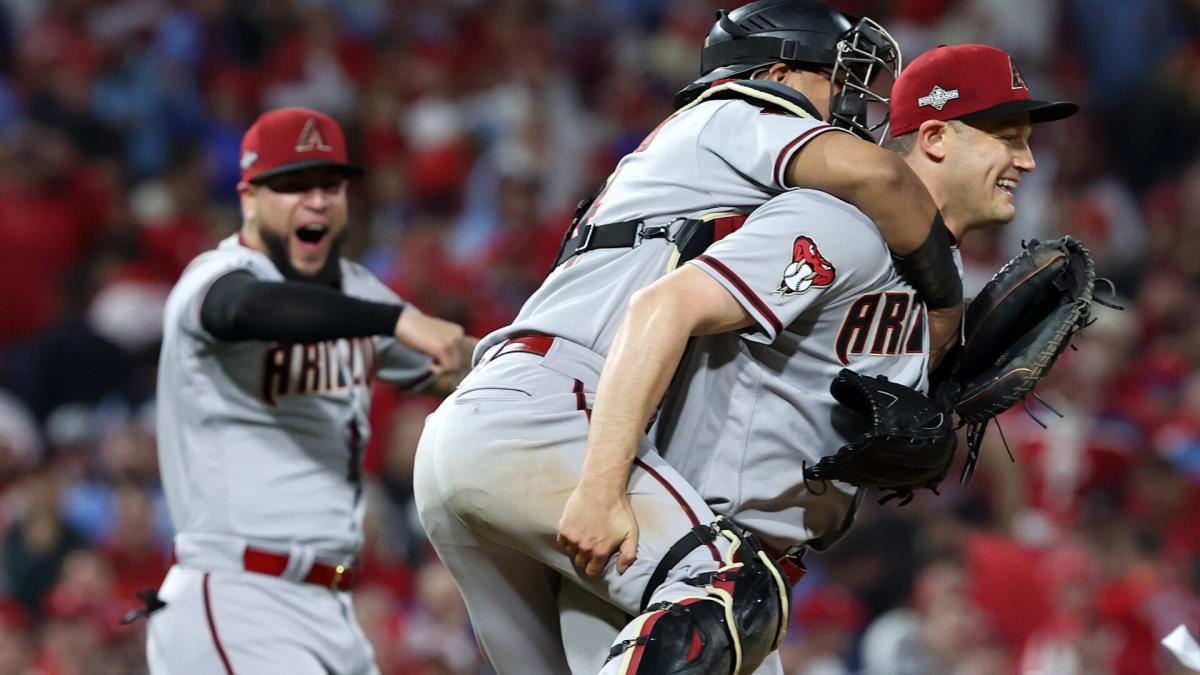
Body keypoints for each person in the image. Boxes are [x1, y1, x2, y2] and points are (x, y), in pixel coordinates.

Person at [413, 2, 966, 673]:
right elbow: (881, 177)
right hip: (555, 412)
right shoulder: (734, 112)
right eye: (834, 77)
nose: (846, 100)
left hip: (483, 424)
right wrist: (943, 298)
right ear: (780, 70)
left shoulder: (681, 164)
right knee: (732, 591)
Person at [559, 42, 1077, 670]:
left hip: (742, 581)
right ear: (937, 137)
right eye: (1008, 137)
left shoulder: (935, 277)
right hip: (672, 556)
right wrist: (602, 488)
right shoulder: (841, 224)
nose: (1026, 159)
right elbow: (666, 307)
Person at [146, 107, 470, 675]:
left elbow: (457, 362)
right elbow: (248, 308)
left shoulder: (353, 290)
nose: (316, 200)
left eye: (329, 185)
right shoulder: (214, 277)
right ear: (249, 198)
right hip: (236, 594)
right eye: (292, 186)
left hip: (329, 605)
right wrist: (394, 321)